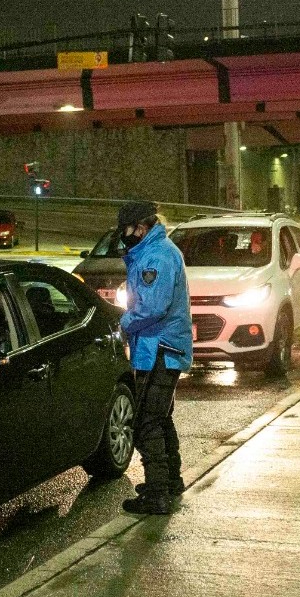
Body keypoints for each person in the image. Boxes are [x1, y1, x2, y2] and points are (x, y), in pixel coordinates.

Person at [116, 200, 192, 516]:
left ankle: (158, 494)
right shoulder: (154, 250)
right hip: (162, 348)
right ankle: (170, 481)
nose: (124, 236)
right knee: (161, 418)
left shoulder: (156, 256)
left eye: (127, 229)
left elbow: (152, 307)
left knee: (146, 422)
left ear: (141, 227)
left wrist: (123, 323)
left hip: (159, 348)